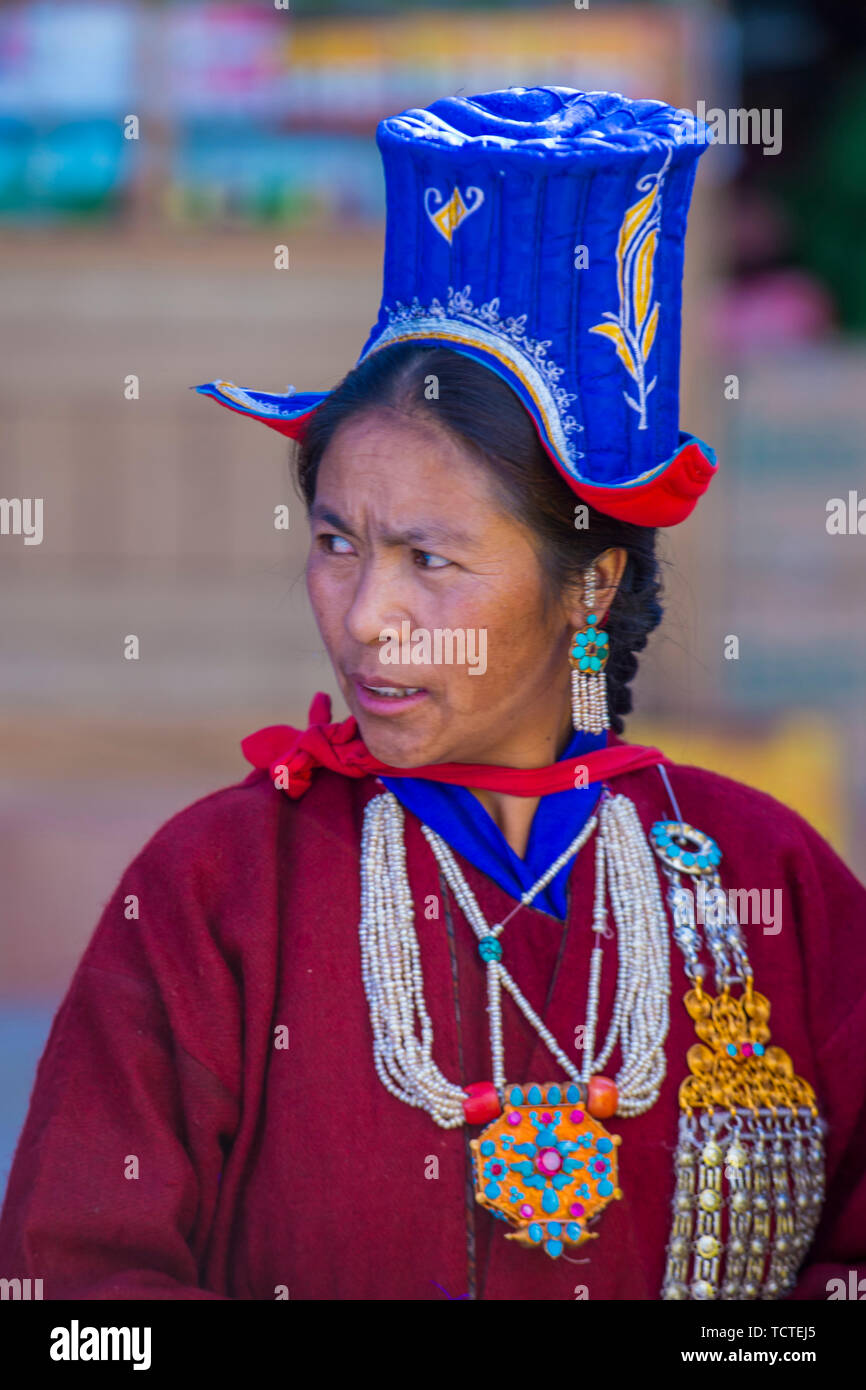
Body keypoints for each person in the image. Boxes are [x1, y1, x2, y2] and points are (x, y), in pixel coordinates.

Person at [2, 87, 865, 1302]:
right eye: (336, 540)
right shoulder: (214, 888)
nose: (361, 617)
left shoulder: (767, 879)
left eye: (430, 558)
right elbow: (73, 1302)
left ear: (586, 584)